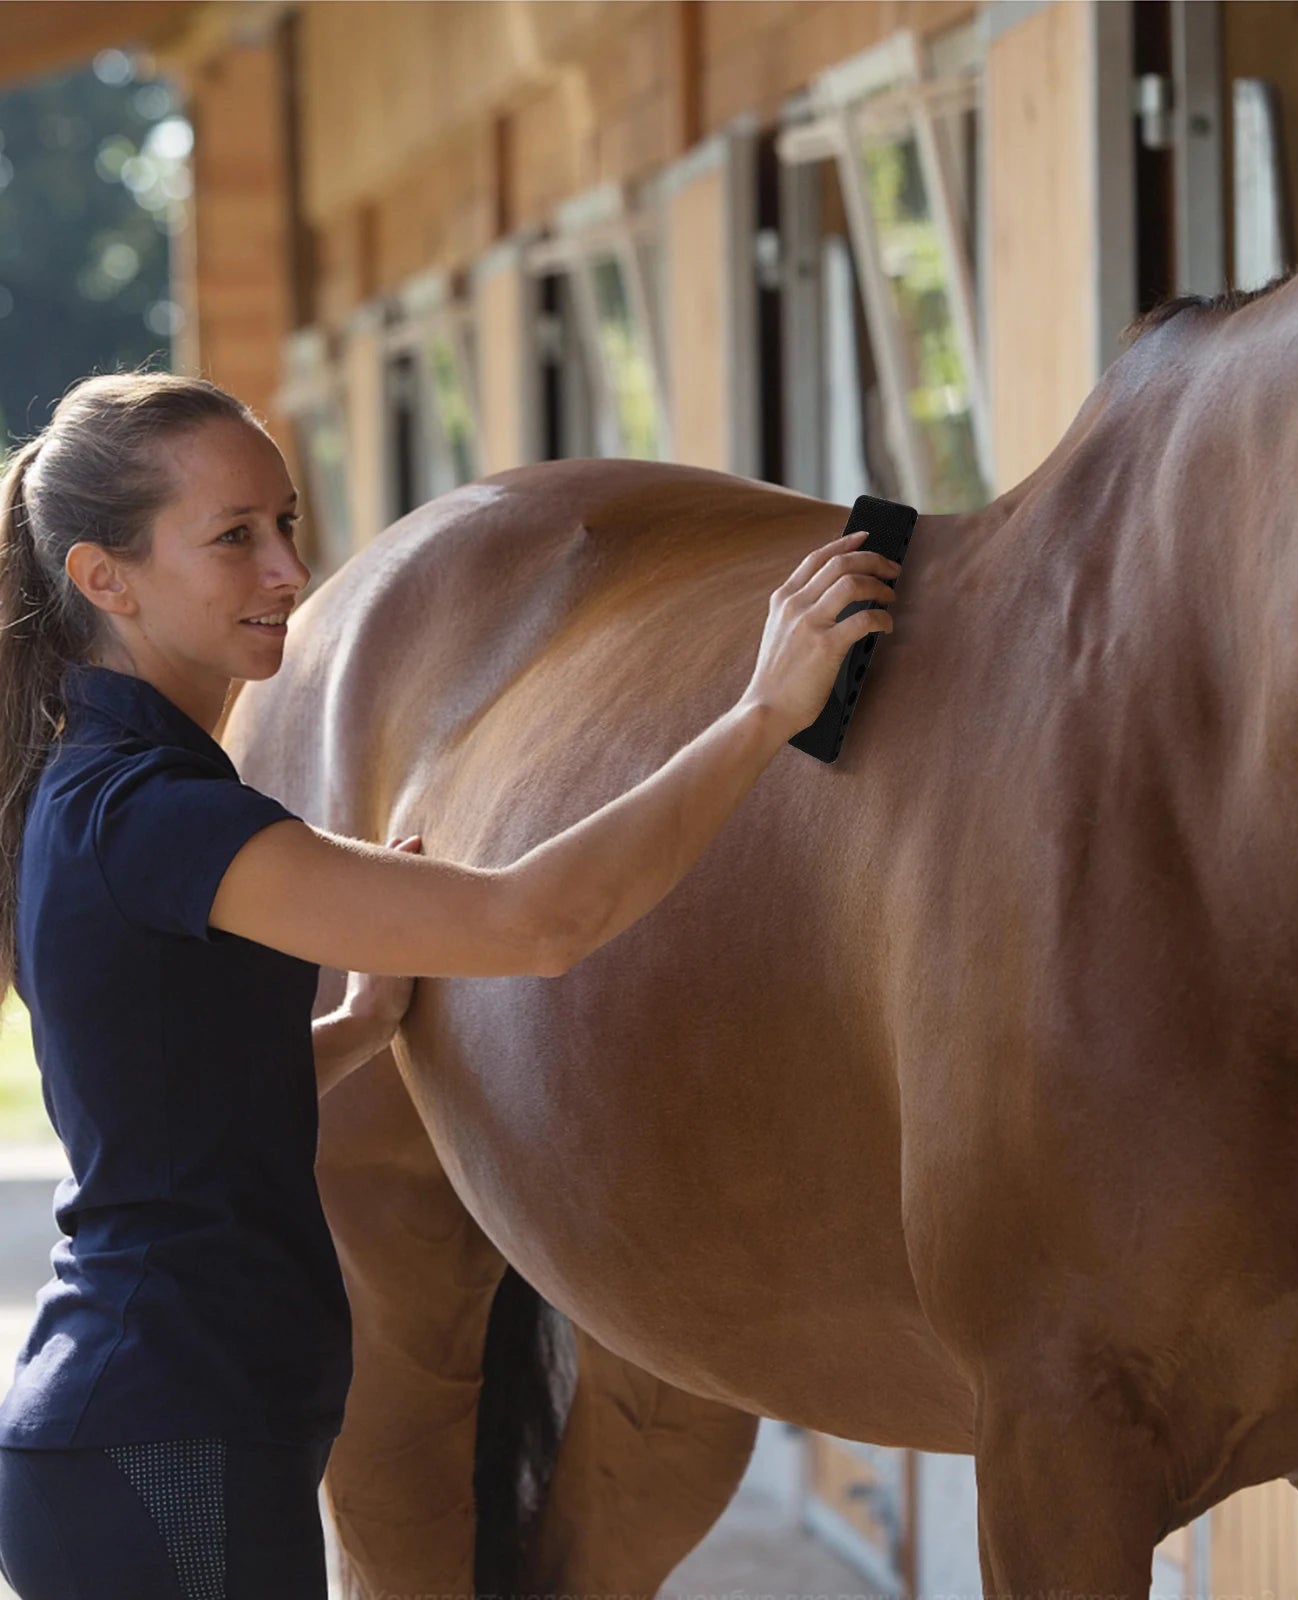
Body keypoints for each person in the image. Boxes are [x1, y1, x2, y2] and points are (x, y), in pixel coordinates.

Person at [0, 370, 901, 1599]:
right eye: (232, 540)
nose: (288, 574)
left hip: (165, 1425)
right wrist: (761, 707)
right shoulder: (158, 816)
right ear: (106, 578)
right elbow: (541, 921)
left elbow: (184, 1113)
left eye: (286, 524)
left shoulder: (112, 787)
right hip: (169, 1443)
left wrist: (364, 1024)